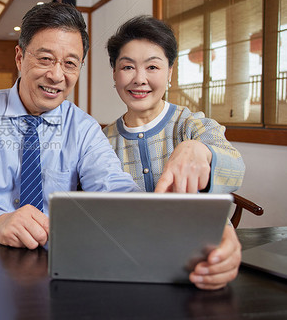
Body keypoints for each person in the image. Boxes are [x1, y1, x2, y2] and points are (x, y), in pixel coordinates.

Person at [0, 2, 139, 250]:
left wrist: (141, 212)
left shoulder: (84, 128)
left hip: (55, 255)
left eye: (70, 64)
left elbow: (113, 187)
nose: (56, 75)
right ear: (20, 58)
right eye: (45, 59)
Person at [103, 15, 245, 290]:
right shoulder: (101, 141)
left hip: (195, 266)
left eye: (152, 66)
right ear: (115, 73)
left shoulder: (193, 125)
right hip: (126, 268)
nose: (139, 79)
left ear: (170, 72)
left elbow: (235, 168)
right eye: (128, 67)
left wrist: (200, 150)